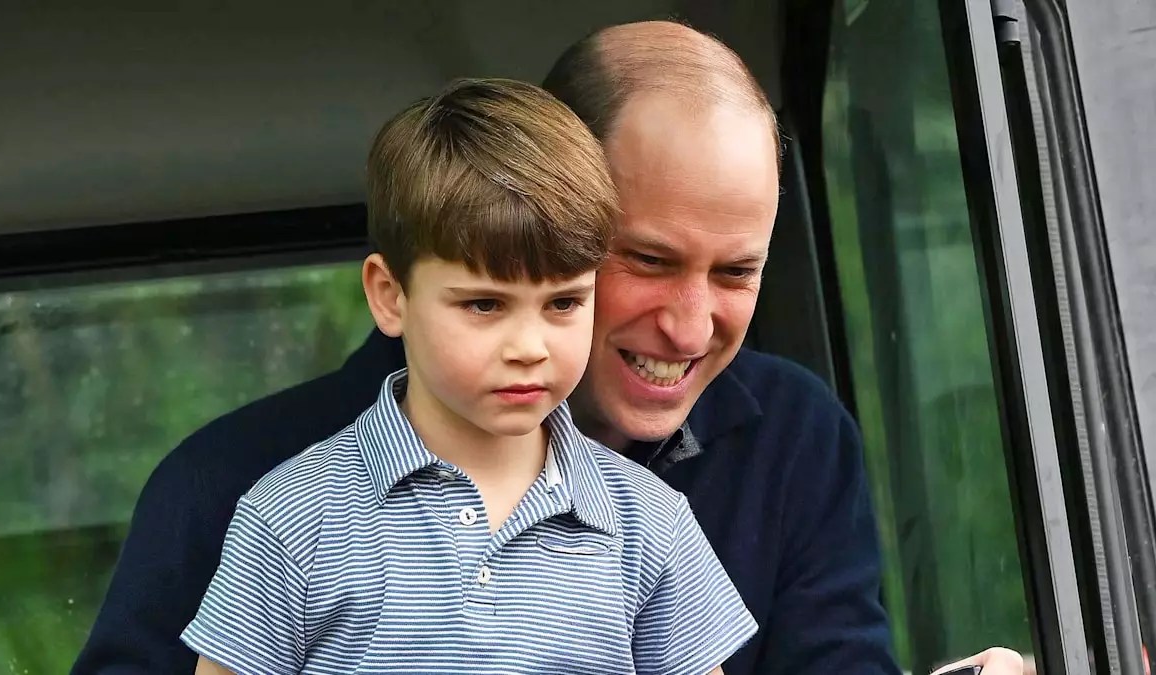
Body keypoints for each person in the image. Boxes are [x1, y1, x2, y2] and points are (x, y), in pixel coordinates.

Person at [73, 20, 1027, 675]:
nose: (690, 326)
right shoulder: (249, 493)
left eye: (737, 272)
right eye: (648, 260)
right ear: (544, 209)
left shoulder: (787, 444)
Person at [182, 76, 756, 675]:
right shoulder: (293, 516)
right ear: (390, 296)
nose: (529, 347)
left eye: (563, 303)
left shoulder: (650, 523)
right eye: (485, 304)